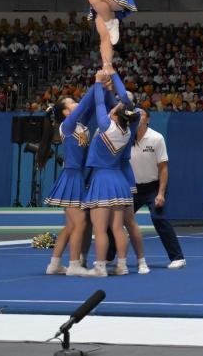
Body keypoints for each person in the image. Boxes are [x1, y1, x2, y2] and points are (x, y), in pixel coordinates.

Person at [81, 71, 137, 277]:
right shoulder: (127, 131)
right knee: (118, 228)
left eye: (114, 106)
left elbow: (98, 103)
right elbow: (123, 103)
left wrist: (98, 83)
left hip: (102, 179)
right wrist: (112, 76)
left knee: (100, 229)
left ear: (114, 113)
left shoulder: (106, 126)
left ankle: (100, 267)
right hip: (119, 180)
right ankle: (122, 265)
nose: (112, 106)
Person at [44, 88, 95, 276]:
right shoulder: (67, 125)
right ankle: (74, 265)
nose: (76, 102)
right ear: (66, 112)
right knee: (80, 223)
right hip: (71, 176)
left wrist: (103, 89)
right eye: (72, 102)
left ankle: (54, 264)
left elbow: (91, 106)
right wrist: (96, 83)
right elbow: (85, 103)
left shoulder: (80, 124)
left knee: (71, 225)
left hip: (79, 176)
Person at [126, 108, 186, 269]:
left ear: (148, 120)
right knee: (118, 220)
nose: (138, 116)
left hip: (153, 187)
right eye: (135, 114)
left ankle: (178, 258)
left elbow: (163, 168)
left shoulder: (156, 138)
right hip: (132, 188)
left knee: (159, 218)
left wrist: (161, 193)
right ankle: (109, 257)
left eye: (141, 114)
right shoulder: (126, 136)